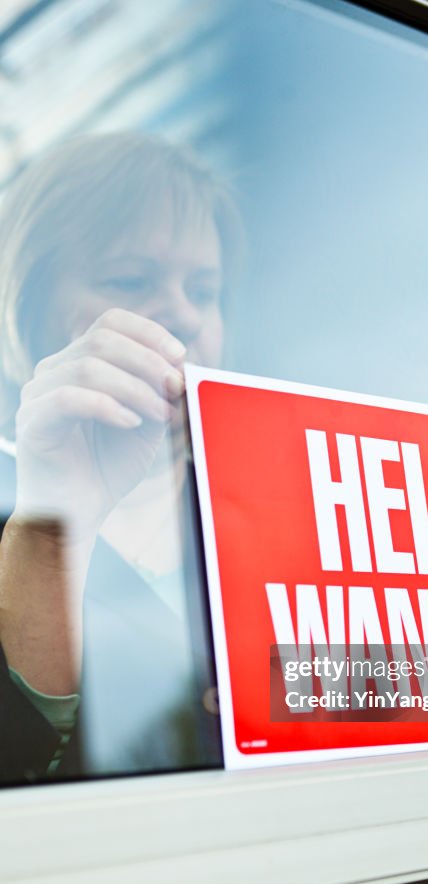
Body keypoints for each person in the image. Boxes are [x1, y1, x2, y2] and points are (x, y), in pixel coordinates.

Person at [0, 133, 241, 784]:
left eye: (205, 289)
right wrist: (57, 523)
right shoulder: (17, 516)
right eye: (131, 280)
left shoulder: (272, 504)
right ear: (32, 312)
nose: (184, 315)